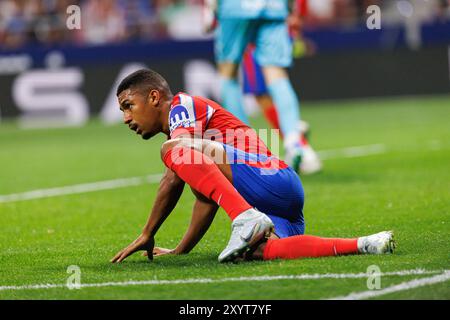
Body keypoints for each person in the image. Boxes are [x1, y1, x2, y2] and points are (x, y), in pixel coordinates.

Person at [111, 69, 395, 264]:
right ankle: (365, 243)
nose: (125, 118)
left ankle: (245, 218)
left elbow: (173, 176)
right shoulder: (192, 142)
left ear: (153, 97)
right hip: (279, 198)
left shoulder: (182, 105)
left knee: (173, 149)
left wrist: (147, 233)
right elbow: (206, 198)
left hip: (271, 178)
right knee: (260, 251)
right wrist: (180, 250)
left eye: (128, 105)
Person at [211, 0, 320, 174]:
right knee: (277, 75)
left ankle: (245, 147)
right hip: (273, 7)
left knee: (228, 75)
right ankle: (295, 142)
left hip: (235, 8)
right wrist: (293, 10)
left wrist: (210, 9)